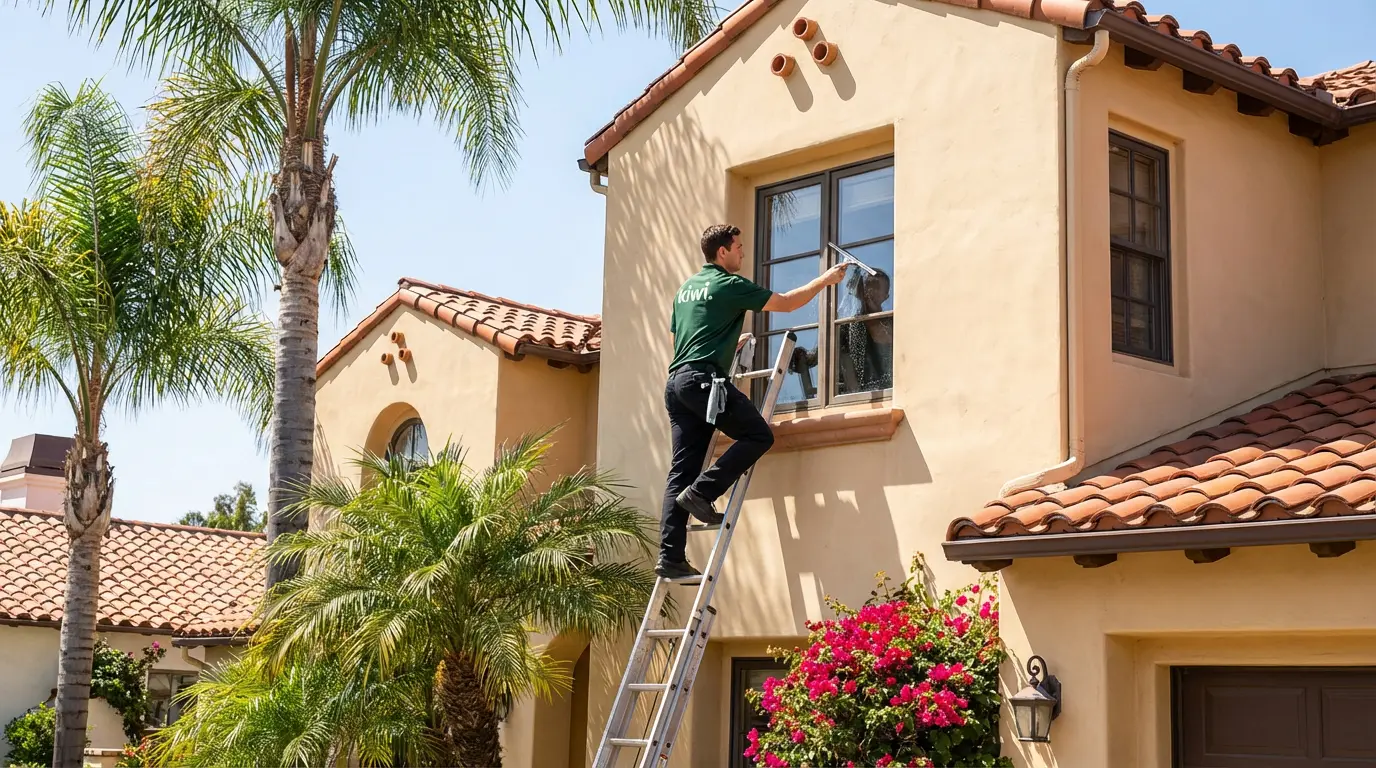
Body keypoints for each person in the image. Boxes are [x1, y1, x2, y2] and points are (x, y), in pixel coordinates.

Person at [658, 224, 850, 579]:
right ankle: (702, 492)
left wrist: (725, 344)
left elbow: (681, 338)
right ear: (722, 252)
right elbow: (787, 303)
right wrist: (825, 280)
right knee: (759, 435)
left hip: (677, 383)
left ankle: (670, 557)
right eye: (739, 247)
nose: (743, 253)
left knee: (680, 471)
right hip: (703, 381)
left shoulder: (686, 289)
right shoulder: (728, 284)